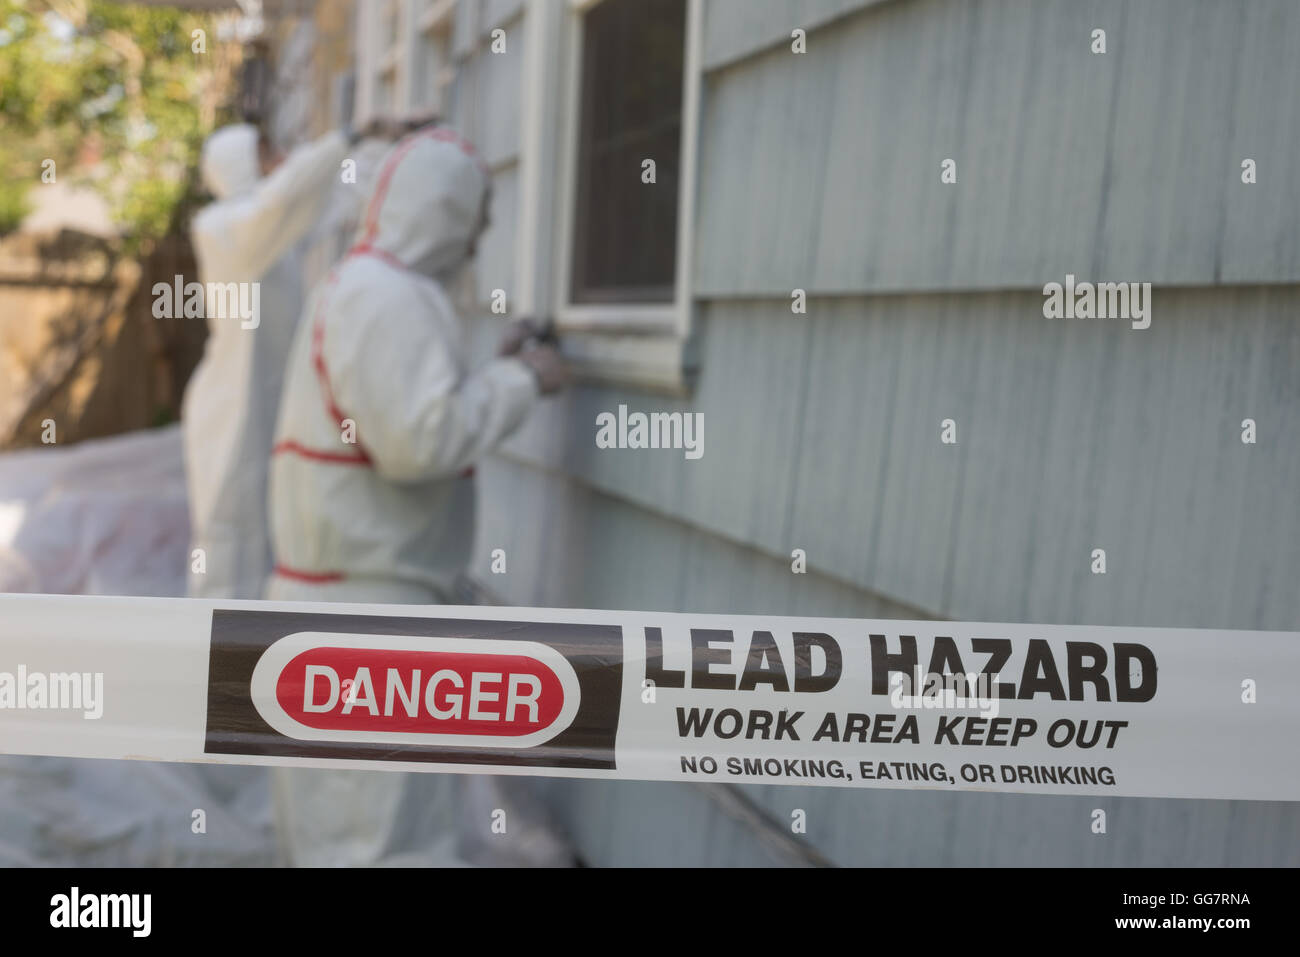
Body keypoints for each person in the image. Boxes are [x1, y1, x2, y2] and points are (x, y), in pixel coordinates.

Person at [264, 126, 568, 866]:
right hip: (368, 626)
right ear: (447, 212)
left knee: (337, 830)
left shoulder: (364, 285)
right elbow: (417, 442)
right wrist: (525, 379)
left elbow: (394, 417)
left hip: (341, 611)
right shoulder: (390, 297)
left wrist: (488, 376)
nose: (482, 235)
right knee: (383, 840)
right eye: (478, 215)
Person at [182, 118, 404, 600]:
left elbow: (334, 200)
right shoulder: (222, 226)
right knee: (226, 529)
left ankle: (248, 649)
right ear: (239, 164)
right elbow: (284, 197)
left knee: (265, 522)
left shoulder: (271, 236)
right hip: (228, 405)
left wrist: (385, 147)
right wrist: (345, 136)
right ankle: (206, 650)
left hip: (265, 398)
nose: (279, 157)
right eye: (266, 152)